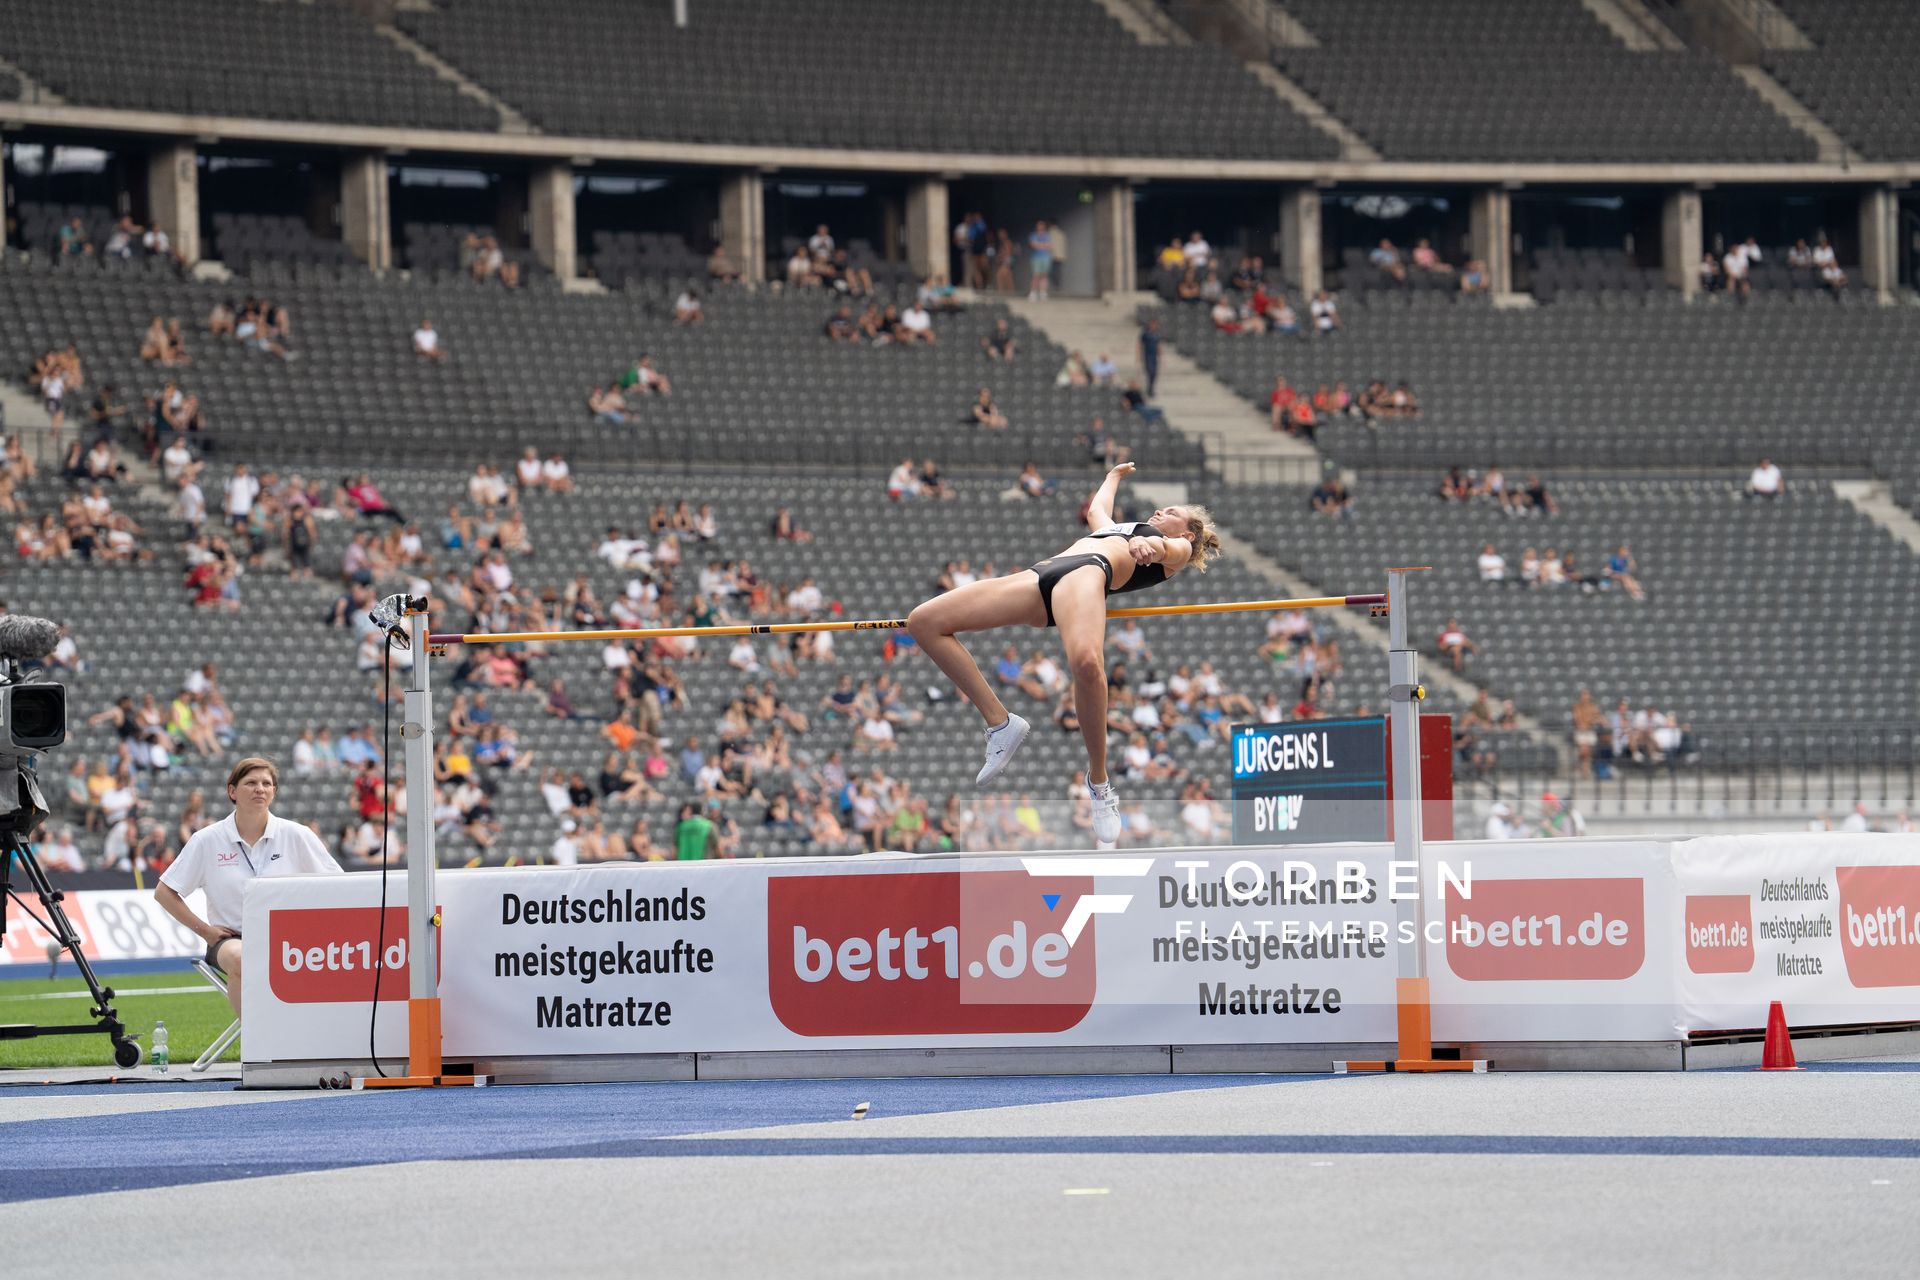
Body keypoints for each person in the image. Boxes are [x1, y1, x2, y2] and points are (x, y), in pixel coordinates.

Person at [906, 462, 1219, 848]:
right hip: (1041, 576)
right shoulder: (1119, 529)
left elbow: (1164, 548)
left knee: (1087, 664)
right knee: (924, 621)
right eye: (1161, 509)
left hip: (1089, 573)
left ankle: (1100, 783)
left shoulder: (1178, 545)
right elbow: (1096, 511)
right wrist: (1113, 478)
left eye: (1171, 512)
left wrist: (1148, 546)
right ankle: (1000, 723)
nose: (1160, 512)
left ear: (1187, 530)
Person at [153, 758, 342, 1019]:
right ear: (232, 791)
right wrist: (206, 931)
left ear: (274, 792)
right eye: (251, 783)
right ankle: (257, 1041)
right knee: (242, 959)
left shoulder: (297, 835)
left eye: (267, 783)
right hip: (232, 940)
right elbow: (164, 892)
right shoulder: (207, 840)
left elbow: (337, 885)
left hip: (294, 940)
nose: (260, 789)